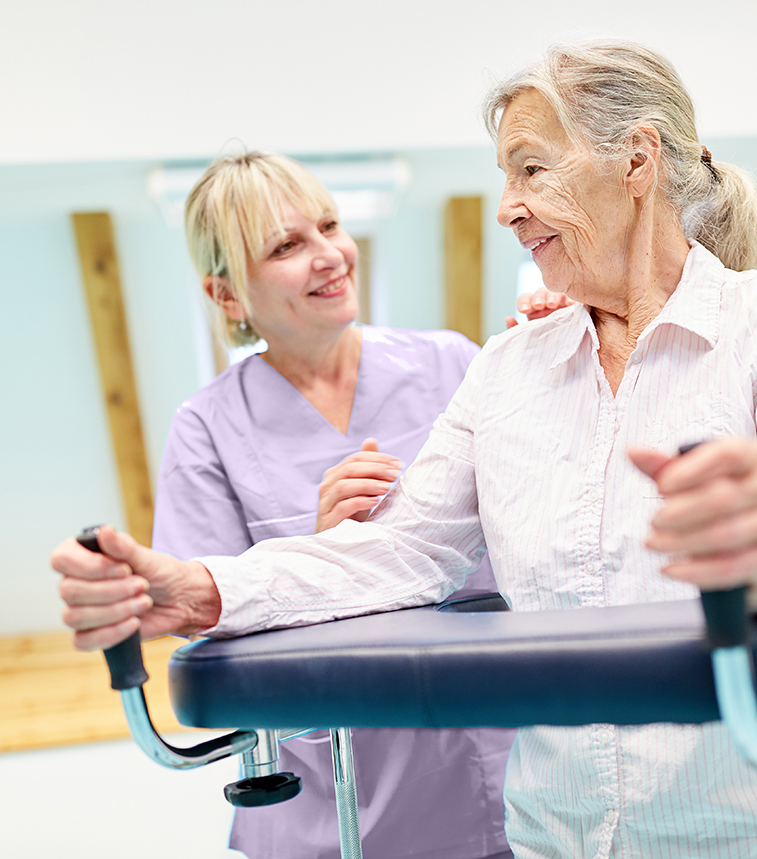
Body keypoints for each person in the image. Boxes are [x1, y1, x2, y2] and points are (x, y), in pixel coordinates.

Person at [54, 41, 757, 859]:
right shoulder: (507, 369)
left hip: (753, 830)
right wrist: (197, 587)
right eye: (505, 176)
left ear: (637, 161)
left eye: (531, 169)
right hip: (560, 835)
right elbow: (399, 550)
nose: (506, 208)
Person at [138, 151, 564, 859]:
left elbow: (550, 519)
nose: (330, 254)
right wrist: (321, 554)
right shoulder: (206, 429)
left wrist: (559, 365)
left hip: (495, 759)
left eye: (330, 225)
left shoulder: (452, 363)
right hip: (329, 795)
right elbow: (207, 644)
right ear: (227, 296)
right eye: (286, 245)